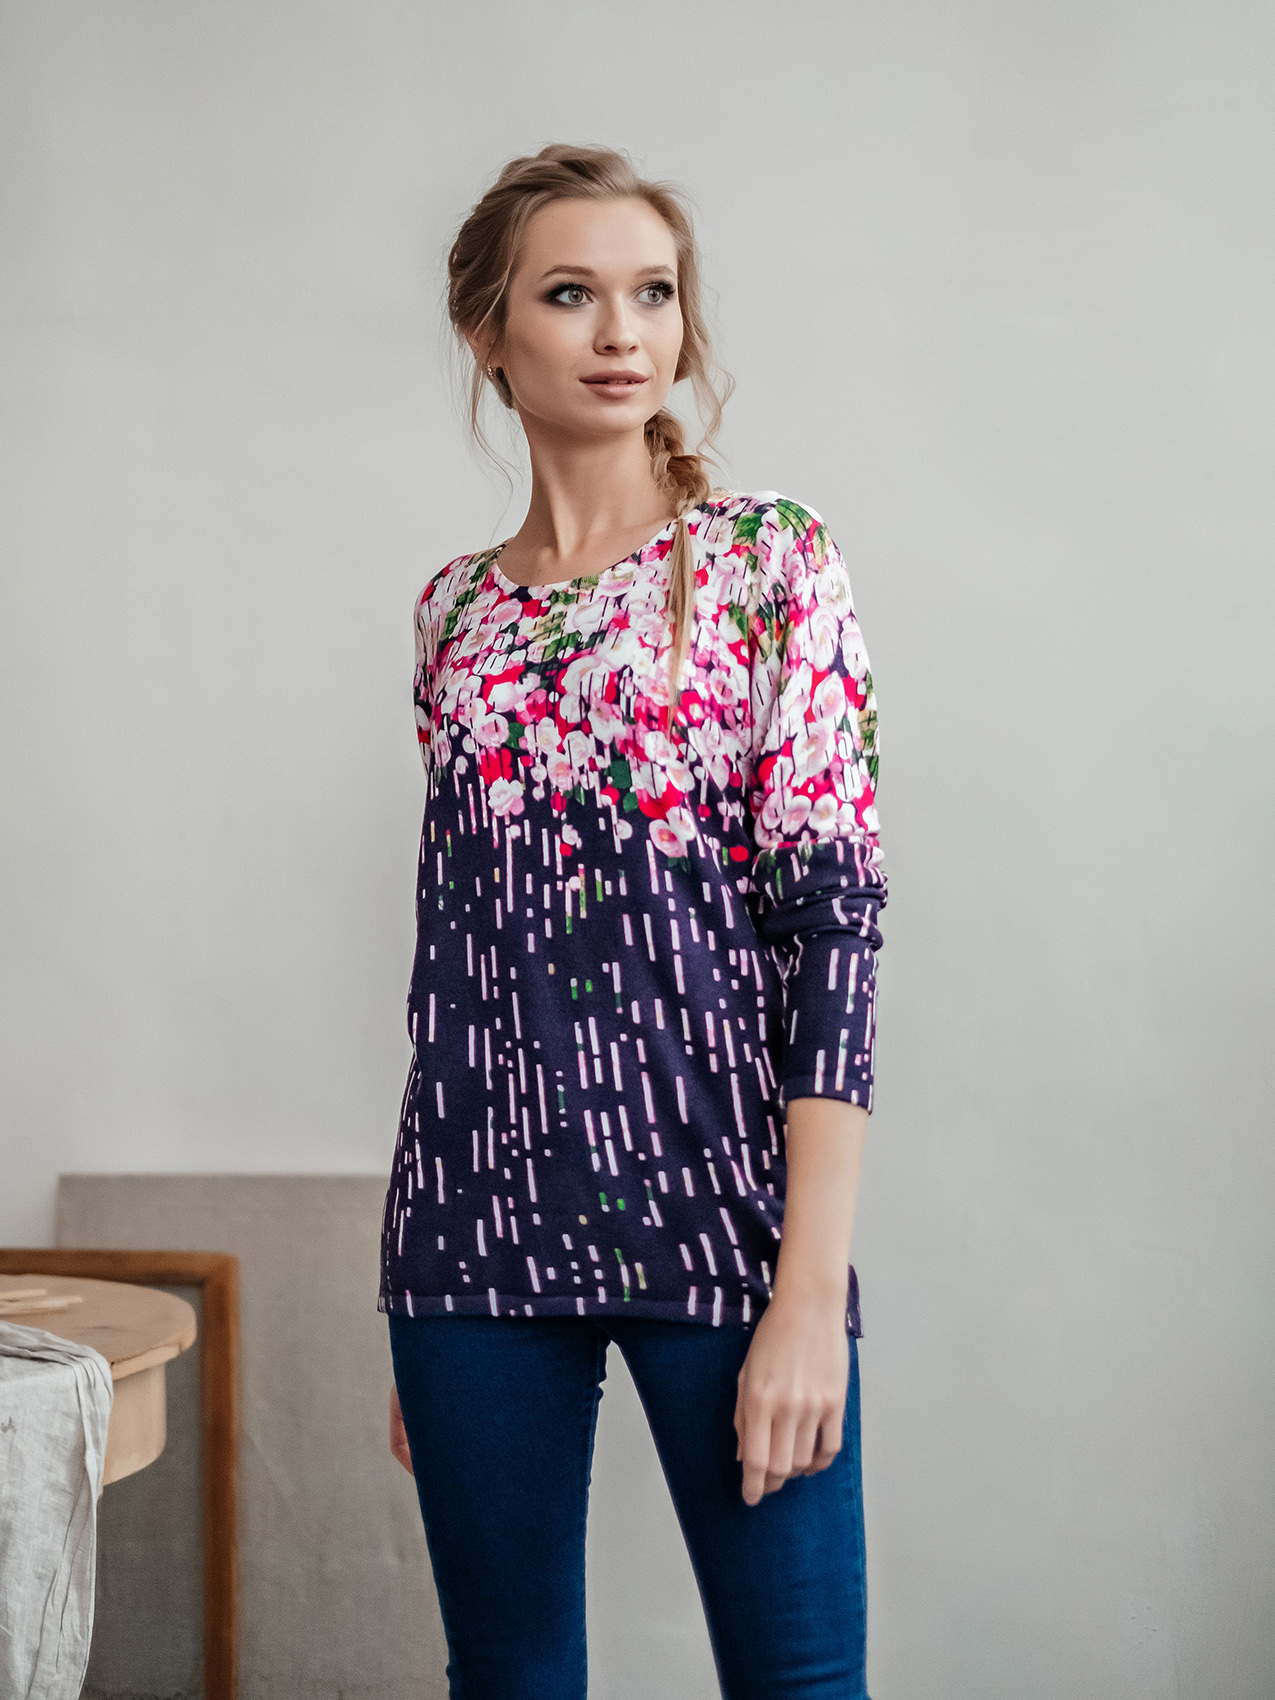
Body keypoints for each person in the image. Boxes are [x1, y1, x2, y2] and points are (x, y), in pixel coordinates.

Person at [379, 144, 886, 1700]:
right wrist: (426, 1288)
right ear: (487, 331)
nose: (621, 332)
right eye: (570, 294)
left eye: (653, 293)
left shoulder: (768, 560)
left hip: (722, 1219)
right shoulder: (452, 615)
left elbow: (835, 926)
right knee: (508, 1678)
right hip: (472, 1237)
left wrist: (809, 1295)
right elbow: (462, 952)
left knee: (800, 1684)